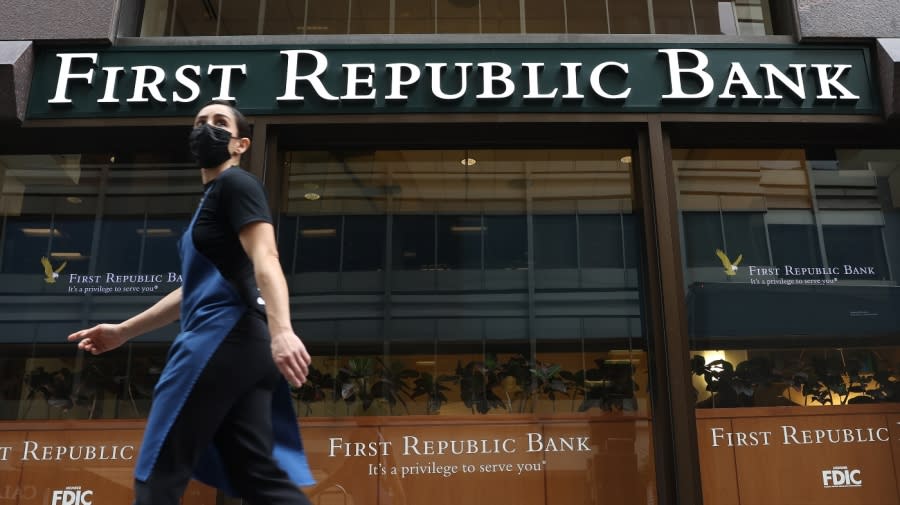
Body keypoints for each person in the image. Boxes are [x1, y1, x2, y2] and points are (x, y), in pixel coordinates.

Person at [67, 100, 315, 505]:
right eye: (200, 121)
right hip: (242, 346)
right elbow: (192, 291)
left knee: (160, 467)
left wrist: (283, 330)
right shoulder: (211, 203)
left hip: (220, 339)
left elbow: (266, 257)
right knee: (257, 478)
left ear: (241, 144)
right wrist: (123, 331)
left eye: (220, 122)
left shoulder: (237, 186)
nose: (207, 127)